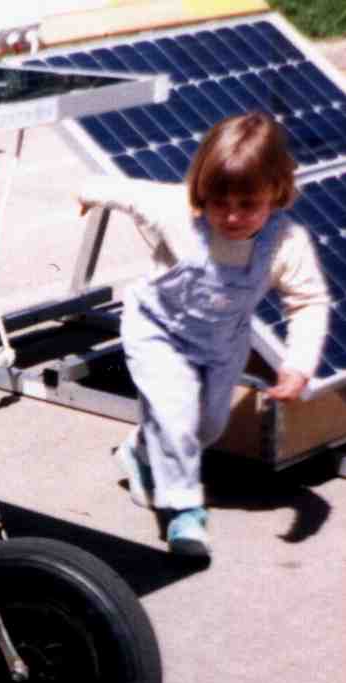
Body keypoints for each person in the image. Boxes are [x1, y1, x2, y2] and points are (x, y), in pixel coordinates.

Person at [77, 111, 330, 560]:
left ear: (276, 192)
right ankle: (184, 514)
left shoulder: (286, 242)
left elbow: (307, 303)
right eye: (219, 202)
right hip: (158, 332)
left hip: (222, 344)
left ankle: (139, 452)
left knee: (206, 428)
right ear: (201, 193)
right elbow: (130, 193)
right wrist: (89, 193)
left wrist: (297, 365)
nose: (231, 215)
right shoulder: (178, 211)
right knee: (175, 416)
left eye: (248, 204)